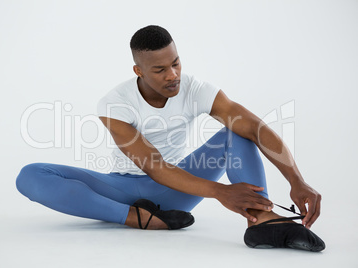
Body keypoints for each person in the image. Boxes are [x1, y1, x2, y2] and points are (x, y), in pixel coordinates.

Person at [16, 25, 325, 251]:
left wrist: (296, 180)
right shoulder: (114, 103)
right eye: (160, 69)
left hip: (177, 190)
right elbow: (154, 166)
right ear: (138, 70)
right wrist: (220, 192)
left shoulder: (195, 88)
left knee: (238, 130)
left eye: (176, 63)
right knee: (31, 175)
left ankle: (262, 222)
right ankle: (137, 219)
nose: (173, 75)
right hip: (120, 189)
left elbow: (256, 127)